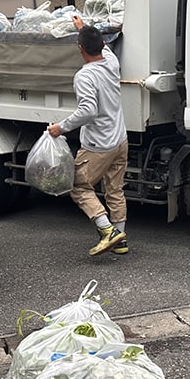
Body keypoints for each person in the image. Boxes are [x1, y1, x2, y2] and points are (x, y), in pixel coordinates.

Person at [47, 18, 129, 256]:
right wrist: (82, 27)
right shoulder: (112, 63)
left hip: (98, 145)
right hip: (120, 139)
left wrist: (60, 128)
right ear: (102, 44)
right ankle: (120, 239)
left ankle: (108, 231)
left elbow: (88, 111)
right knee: (115, 189)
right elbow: (103, 46)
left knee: (78, 185)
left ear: (80, 49)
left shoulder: (84, 76)